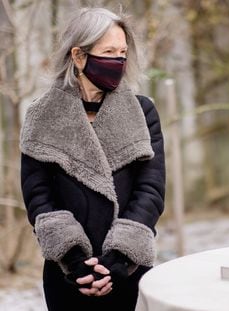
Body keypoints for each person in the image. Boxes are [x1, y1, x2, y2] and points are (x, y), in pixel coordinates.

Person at [19, 7, 165, 311]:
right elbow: (38, 197)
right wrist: (74, 261)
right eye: (109, 52)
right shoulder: (42, 116)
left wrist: (119, 259)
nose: (119, 61)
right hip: (67, 273)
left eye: (123, 52)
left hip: (129, 271)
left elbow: (151, 190)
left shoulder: (142, 112)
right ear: (78, 56)